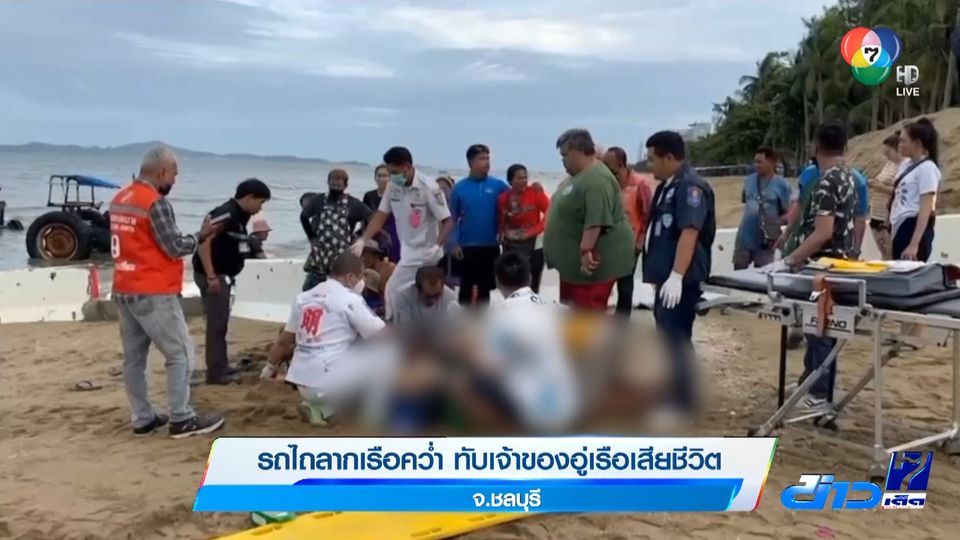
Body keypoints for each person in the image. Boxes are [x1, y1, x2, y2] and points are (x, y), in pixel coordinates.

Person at [110, 146, 225, 438]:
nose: (174, 180)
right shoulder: (155, 203)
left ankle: (142, 418)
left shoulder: (121, 198)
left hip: (124, 287)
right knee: (180, 353)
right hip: (153, 290)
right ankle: (181, 418)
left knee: (134, 359)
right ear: (162, 172)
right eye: (174, 174)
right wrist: (200, 236)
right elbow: (173, 246)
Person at [765, 122, 857, 409]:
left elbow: (823, 232)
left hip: (822, 267)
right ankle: (811, 379)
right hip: (838, 262)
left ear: (815, 147)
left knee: (819, 329)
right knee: (817, 326)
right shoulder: (848, 175)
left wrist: (790, 260)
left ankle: (818, 393)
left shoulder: (827, 181)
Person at [260, 253, 387, 426]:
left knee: (344, 354)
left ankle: (320, 409)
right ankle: (372, 416)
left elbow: (283, 341)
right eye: (361, 276)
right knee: (387, 352)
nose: (362, 281)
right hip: (327, 381)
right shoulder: (349, 299)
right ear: (351, 277)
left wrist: (269, 368)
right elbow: (381, 335)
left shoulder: (303, 298)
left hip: (302, 383)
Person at [642, 131, 716, 416]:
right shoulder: (668, 186)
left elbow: (690, 232)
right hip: (666, 278)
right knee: (666, 336)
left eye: (653, 159)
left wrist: (676, 276)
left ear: (669, 157)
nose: (650, 165)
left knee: (676, 337)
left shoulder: (690, 187)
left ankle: (682, 401)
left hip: (681, 279)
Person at [473, 250, 581, 432]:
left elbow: (489, 366)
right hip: (567, 403)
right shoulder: (559, 311)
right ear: (530, 278)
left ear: (497, 281)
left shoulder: (498, 318)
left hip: (528, 411)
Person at [352, 146, 453, 321]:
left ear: (407, 167)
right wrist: (363, 240)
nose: (392, 177)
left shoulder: (428, 187)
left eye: (394, 172)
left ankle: (395, 325)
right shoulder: (393, 187)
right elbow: (380, 215)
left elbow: (447, 220)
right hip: (406, 250)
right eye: (389, 172)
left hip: (426, 252)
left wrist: (437, 245)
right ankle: (424, 323)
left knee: (393, 289)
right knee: (417, 293)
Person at [543, 129, 634, 311]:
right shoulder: (580, 175)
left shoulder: (597, 179)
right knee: (572, 314)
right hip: (572, 269)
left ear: (578, 151)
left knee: (587, 315)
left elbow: (596, 219)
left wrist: (585, 251)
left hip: (591, 269)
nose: (563, 161)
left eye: (565, 155)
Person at [194, 178, 272, 385]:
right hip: (213, 275)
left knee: (221, 323)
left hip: (223, 274)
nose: (260, 208)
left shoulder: (239, 215)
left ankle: (221, 365)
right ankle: (215, 373)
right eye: (260, 202)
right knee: (216, 324)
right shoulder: (226, 214)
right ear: (249, 198)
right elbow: (203, 241)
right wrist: (211, 275)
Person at [449, 144, 510, 307]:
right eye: (481, 159)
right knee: (466, 287)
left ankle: (482, 320)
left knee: (485, 289)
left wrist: (535, 188)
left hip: (490, 245)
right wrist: (454, 243)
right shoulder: (459, 188)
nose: (486, 162)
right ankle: (463, 319)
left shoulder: (499, 186)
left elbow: (518, 196)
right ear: (470, 162)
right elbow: (452, 218)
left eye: (488, 158)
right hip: (467, 246)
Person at [602, 147, 655, 315]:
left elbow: (649, 216)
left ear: (622, 165)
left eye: (611, 170)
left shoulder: (640, 185)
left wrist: (639, 243)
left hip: (630, 245)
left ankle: (622, 322)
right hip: (609, 243)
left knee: (625, 286)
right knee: (603, 285)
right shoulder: (608, 185)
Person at [300, 169, 372, 291]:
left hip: (341, 254)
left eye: (338, 186)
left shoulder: (353, 203)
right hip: (320, 253)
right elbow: (303, 217)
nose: (335, 188)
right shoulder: (318, 200)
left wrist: (360, 238)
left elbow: (371, 218)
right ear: (328, 183)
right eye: (332, 185)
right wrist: (311, 237)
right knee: (310, 290)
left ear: (345, 186)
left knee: (340, 288)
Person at [733, 147, 791, 269]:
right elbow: (746, 202)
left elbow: (788, 213)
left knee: (763, 272)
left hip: (766, 239)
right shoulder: (749, 180)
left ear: (772, 162)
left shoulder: (782, 185)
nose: (756, 165)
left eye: (760, 162)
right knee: (738, 268)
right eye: (755, 162)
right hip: (745, 236)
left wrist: (777, 227)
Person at [891, 118, 941, 261]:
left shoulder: (927, 169)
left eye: (903, 141)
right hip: (900, 226)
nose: (899, 145)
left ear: (917, 143)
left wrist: (914, 244)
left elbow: (926, 208)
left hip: (912, 227)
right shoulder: (906, 164)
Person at [497, 163, 549, 294]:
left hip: (535, 245)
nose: (524, 181)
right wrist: (501, 235)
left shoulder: (536, 193)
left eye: (525, 177)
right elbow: (502, 222)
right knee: (512, 282)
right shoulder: (503, 199)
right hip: (512, 245)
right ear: (510, 181)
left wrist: (532, 231)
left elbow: (550, 214)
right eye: (519, 178)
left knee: (532, 284)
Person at [867, 133, 904, 259]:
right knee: (883, 250)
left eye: (888, 152)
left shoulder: (903, 167)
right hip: (876, 212)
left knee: (889, 250)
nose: (886, 155)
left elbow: (900, 191)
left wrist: (881, 188)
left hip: (887, 215)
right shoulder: (889, 164)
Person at [391, 266, 459, 332]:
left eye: (437, 295)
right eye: (428, 296)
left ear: (442, 289)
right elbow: (405, 331)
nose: (433, 300)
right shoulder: (403, 296)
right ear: (417, 289)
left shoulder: (451, 298)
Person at [363, 165, 401, 263]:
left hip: (391, 231)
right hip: (373, 230)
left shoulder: (396, 196)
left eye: (385, 176)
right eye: (379, 176)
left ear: (390, 178)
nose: (382, 179)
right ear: (375, 178)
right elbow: (364, 217)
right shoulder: (369, 195)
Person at [435, 176, 462, 289]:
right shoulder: (431, 209)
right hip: (437, 254)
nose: (442, 193)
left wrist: (459, 245)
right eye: (438, 189)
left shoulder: (459, 210)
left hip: (456, 253)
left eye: (444, 189)